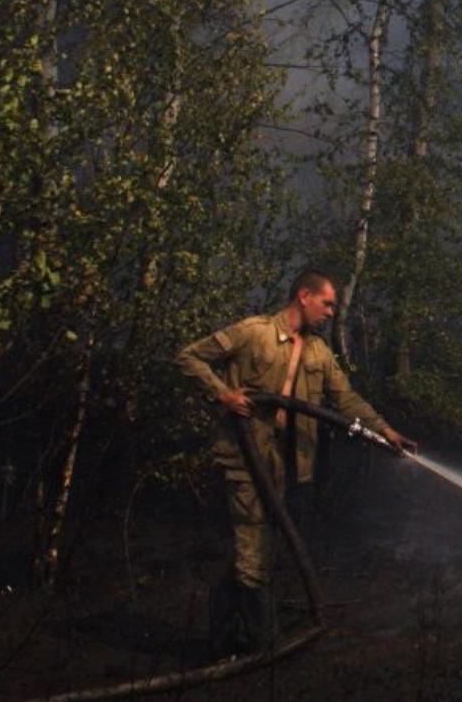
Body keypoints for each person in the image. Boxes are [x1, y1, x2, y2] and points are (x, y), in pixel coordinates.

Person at [175, 268, 416, 652]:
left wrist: (385, 431)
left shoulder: (319, 351)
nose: (332, 312)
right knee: (254, 553)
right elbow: (189, 357)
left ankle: (223, 639)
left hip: (286, 465)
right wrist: (223, 394)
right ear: (304, 296)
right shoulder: (254, 333)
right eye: (327, 303)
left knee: (258, 550)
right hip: (245, 457)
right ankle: (262, 646)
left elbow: (346, 400)